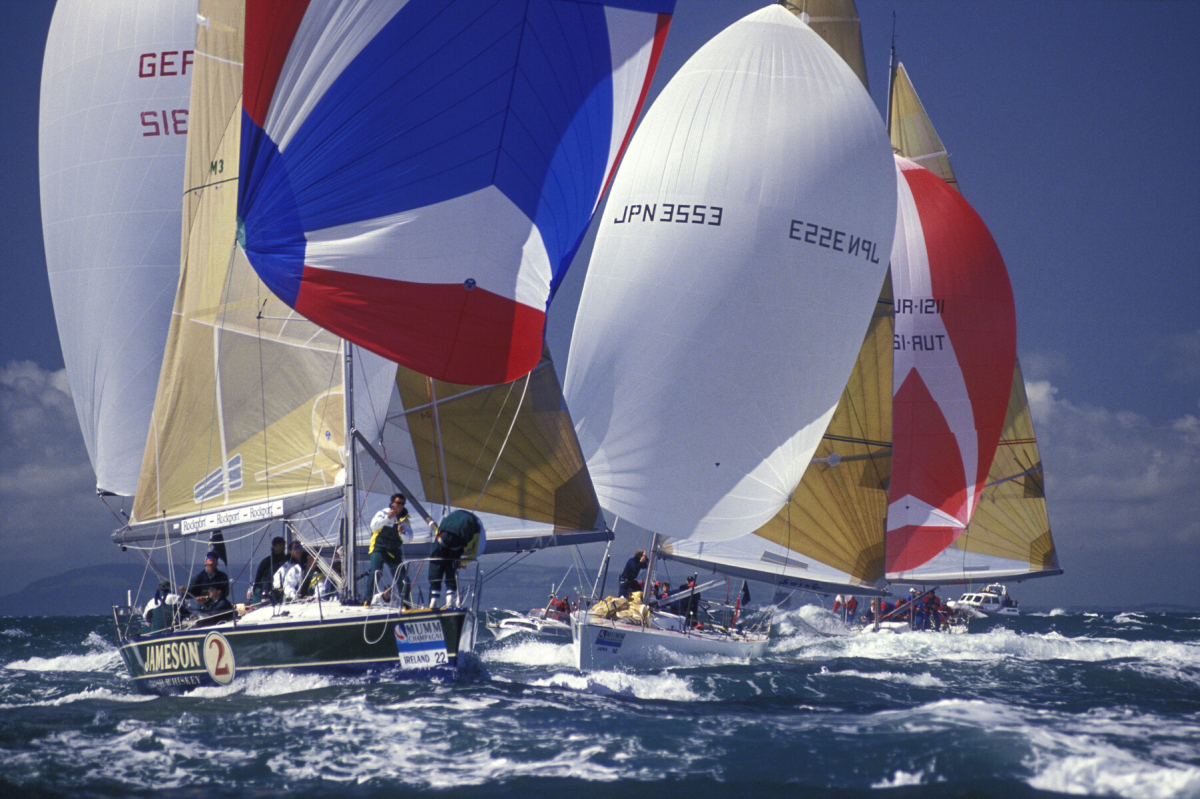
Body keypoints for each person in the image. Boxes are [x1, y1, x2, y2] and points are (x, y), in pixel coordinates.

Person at [428, 509, 486, 609]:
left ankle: (434, 597)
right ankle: (450, 598)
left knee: (436, 562)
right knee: (452, 563)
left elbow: (438, 531)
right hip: (458, 539)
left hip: (443, 534)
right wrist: (462, 562)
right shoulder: (478, 530)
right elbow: (476, 552)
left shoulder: (452, 518)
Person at [369, 493, 414, 607]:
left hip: (394, 551)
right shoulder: (382, 513)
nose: (400, 505)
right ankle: (367, 600)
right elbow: (373, 526)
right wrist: (388, 517)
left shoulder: (405, 520)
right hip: (379, 548)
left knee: (403, 578)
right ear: (392, 503)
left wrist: (401, 533)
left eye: (402, 503)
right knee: (376, 572)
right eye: (398, 503)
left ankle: (405, 604)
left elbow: (409, 539)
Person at [247, 536, 288, 603]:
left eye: (283, 544)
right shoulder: (267, 562)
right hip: (268, 589)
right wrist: (255, 589)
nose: (282, 546)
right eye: (280, 545)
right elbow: (258, 578)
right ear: (274, 546)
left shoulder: (288, 560)